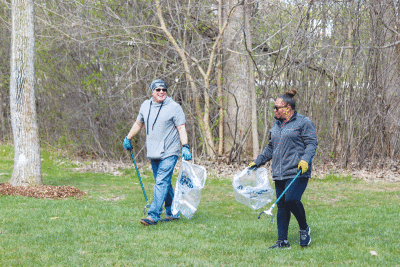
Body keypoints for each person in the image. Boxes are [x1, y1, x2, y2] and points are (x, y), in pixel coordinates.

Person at [249, 89, 317, 249]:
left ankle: (304, 228)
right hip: (279, 171)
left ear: (288, 108)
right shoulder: (276, 125)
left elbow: (312, 144)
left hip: (297, 170)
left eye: (277, 108)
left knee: (291, 199)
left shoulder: (303, 122)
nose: (275, 110)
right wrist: (257, 162)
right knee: (282, 206)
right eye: (274, 107)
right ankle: (282, 241)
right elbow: (271, 147)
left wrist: (305, 160)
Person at [123, 79, 192, 226]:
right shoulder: (145, 106)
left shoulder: (174, 107)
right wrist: (128, 138)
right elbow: (138, 123)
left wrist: (185, 146)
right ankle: (173, 213)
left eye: (164, 90)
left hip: (170, 151)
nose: (161, 92)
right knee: (164, 183)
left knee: (161, 182)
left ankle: (153, 215)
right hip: (153, 151)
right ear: (152, 91)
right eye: (158, 90)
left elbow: (181, 128)